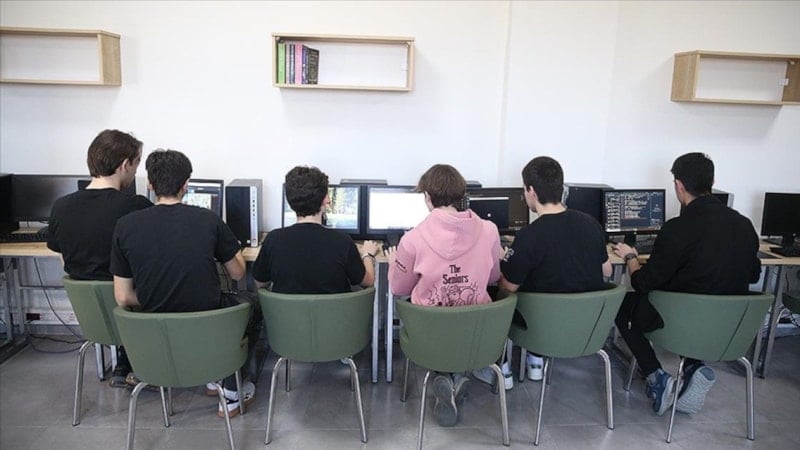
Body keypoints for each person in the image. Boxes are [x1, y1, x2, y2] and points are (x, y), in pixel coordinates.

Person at [110, 149, 258, 418]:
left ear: (150, 184)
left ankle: (212, 379)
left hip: (156, 334)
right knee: (252, 305)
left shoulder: (124, 225)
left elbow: (122, 297)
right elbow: (238, 274)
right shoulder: (208, 220)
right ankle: (229, 391)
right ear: (186, 184)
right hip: (206, 324)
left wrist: (162, 294)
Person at [612, 152, 761, 416]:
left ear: (679, 186)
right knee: (694, 299)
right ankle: (693, 366)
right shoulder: (744, 225)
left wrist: (631, 257)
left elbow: (643, 282)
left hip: (680, 325)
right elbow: (753, 275)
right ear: (712, 182)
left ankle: (657, 378)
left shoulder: (677, 229)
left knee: (624, 306)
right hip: (727, 328)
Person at [386, 164, 502, 427]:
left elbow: (398, 289)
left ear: (428, 198)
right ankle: (455, 377)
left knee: (436, 318)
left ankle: (447, 376)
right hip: (476, 333)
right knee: (461, 319)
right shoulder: (490, 231)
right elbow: (494, 277)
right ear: (462, 195)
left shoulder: (411, 240)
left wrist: (395, 263)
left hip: (430, 337)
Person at [47, 129, 152, 389]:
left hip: (94, 320)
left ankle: (124, 362)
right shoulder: (135, 207)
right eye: (136, 164)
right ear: (125, 164)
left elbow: (65, 263)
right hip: (133, 312)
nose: (135, 172)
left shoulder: (60, 207)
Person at [499, 156, 613, 381]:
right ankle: (535, 359)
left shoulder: (529, 236)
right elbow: (607, 271)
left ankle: (505, 368)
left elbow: (507, 287)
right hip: (587, 329)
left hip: (542, 329)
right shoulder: (591, 224)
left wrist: (507, 259)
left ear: (531, 191)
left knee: (500, 296)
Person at [251, 165, 379, 292]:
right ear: (326, 200)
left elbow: (259, 283)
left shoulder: (273, 240)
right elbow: (367, 281)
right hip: (333, 307)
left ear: (289, 201)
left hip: (283, 307)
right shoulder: (343, 242)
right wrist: (368, 255)